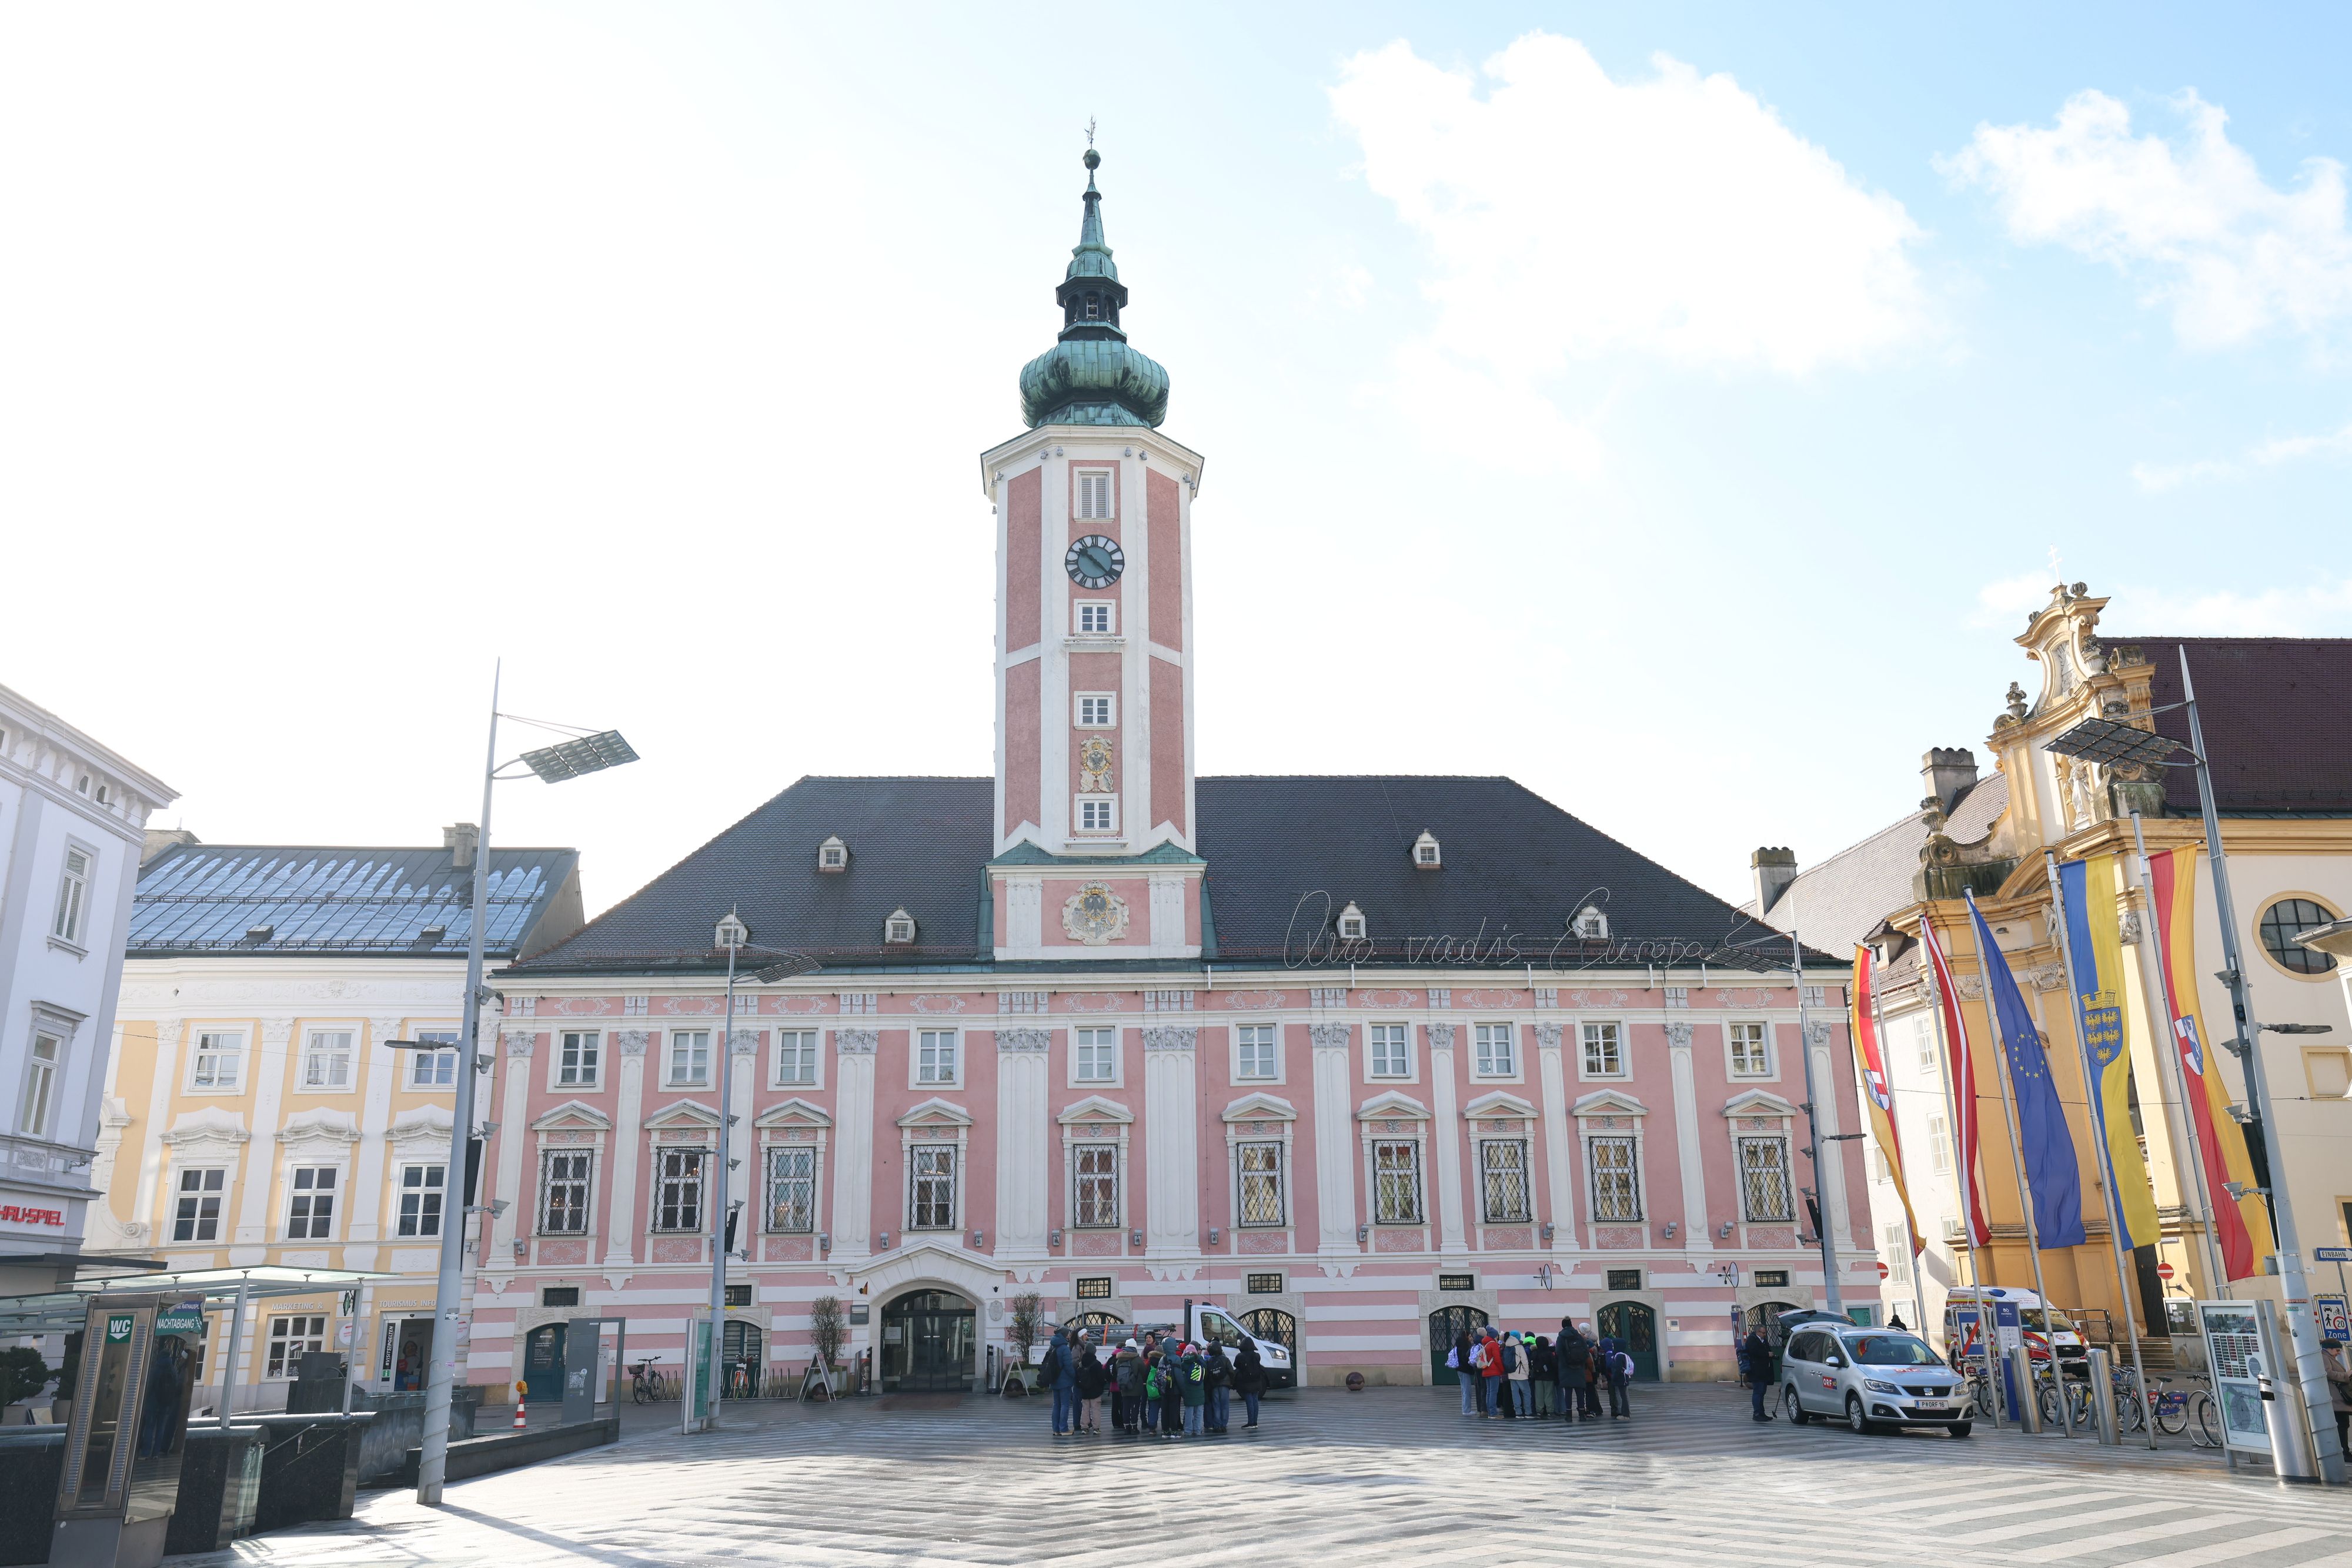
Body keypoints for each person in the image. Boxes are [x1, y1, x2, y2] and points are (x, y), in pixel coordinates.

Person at [1555, 1322, 1591, 1421]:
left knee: (1568, 1392)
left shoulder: (1561, 1337)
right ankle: (1582, 1415)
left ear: (1563, 1326)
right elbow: (1586, 1351)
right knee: (1580, 1392)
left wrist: (1564, 1363)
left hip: (1566, 1368)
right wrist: (1581, 1362)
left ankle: (1569, 1415)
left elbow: (1558, 1352)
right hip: (1579, 1367)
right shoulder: (1578, 1336)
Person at [1074, 1337, 1107, 1434]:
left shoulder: (1081, 1364)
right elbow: (1102, 1378)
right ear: (1094, 1352)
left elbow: (1077, 1377)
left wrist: (1080, 1386)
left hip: (1084, 1391)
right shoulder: (1097, 1364)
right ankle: (1096, 1428)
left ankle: (1084, 1427)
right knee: (1095, 1409)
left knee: (1085, 1409)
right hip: (1096, 1391)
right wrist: (1102, 1386)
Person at [1740, 1326, 1773, 1422]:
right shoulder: (1752, 1340)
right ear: (1757, 1332)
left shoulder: (1763, 1340)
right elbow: (1755, 1352)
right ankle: (1757, 1413)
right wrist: (1767, 1354)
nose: (1764, 1335)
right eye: (1763, 1333)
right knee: (1758, 1392)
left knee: (1762, 1392)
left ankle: (1762, 1413)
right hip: (1756, 1371)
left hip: (1763, 1371)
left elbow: (1766, 1350)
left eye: (1765, 1333)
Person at [1232, 1340, 1268, 1429]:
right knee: (1255, 1402)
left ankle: (1250, 1423)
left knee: (1249, 1402)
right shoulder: (1257, 1356)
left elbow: (1236, 1365)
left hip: (1246, 1382)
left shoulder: (1240, 1356)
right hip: (1256, 1381)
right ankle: (1255, 1422)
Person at [1112, 1339, 1143, 1434]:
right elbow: (1144, 1371)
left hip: (1124, 1387)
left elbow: (1117, 1371)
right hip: (1136, 1388)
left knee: (1125, 1407)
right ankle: (1134, 1427)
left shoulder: (1120, 1359)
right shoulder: (1137, 1359)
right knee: (1135, 1407)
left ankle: (1127, 1427)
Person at [1202, 1341, 1233, 1433]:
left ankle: (1217, 1425)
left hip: (1214, 1385)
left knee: (1216, 1405)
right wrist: (1231, 1382)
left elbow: (1207, 1374)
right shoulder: (1225, 1359)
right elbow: (1231, 1371)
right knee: (1225, 1405)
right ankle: (1224, 1424)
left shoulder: (1209, 1361)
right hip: (1225, 1385)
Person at [1178, 1342, 1208, 1437]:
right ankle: (1198, 1430)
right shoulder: (1201, 1361)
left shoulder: (1184, 1363)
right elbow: (1206, 1369)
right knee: (1199, 1412)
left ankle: (1188, 1431)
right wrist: (1198, 1356)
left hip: (1189, 1392)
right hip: (1200, 1391)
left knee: (1189, 1413)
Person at [2327, 1342, 2352, 1455]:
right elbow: (2328, 1374)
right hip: (2336, 1399)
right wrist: (2346, 1375)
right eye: (2337, 1350)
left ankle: (2344, 1450)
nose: (2338, 1353)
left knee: (2343, 1424)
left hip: (2338, 1399)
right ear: (2330, 1349)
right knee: (2342, 1424)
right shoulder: (2324, 1357)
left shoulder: (2329, 1357)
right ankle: (2343, 1452)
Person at [1161, 1342, 1189, 1439]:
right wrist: (1184, 1391)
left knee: (1164, 1410)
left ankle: (1165, 1431)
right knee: (1174, 1410)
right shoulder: (1176, 1358)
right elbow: (1179, 1377)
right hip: (1174, 1390)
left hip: (1163, 1389)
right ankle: (1174, 1431)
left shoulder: (1162, 1358)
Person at [1600, 1336, 1632, 1419]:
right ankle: (1625, 1412)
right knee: (1623, 1395)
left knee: (1622, 1396)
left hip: (1620, 1379)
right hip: (1623, 1378)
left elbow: (1616, 1368)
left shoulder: (1618, 1356)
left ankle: (1625, 1414)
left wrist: (1614, 1377)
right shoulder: (1622, 1355)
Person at [1478, 1328, 1505, 1418]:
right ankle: (1493, 1413)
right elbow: (1497, 1359)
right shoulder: (1493, 1345)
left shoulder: (1486, 1344)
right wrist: (1502, 1370)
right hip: (1494, 1371)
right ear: (1494, 1336)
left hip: (1486, 1370)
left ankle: (1490, 1412)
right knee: (1493, 1392)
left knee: (1489, 1392)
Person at [1505, 1330, 1533, 1417]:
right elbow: (1524, 1361)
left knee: (1515, 1393)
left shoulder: (1507, 1346)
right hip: (1521, 1373)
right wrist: (1527, 1372)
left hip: (1511, 1373)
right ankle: (1528, 1412)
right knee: (1527, 1393)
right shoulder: (1519, 1347)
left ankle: (1518, 1412)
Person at [1451, 1330, 1476, 1415]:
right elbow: (1465, 1359)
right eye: (1470, 1336)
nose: (1471, 1338)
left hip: (1460, 1370)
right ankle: (1467, 1410)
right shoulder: (1465, 1346)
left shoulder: (1459, 1345)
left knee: (1464, 1390)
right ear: (1466, 1338)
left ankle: (1465, 1409)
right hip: (1465, 1370)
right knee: (1467, 1390)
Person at [1530, 1336, 1556, 1419]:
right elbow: (1554, 1364)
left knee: (1539, 1395)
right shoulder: (1549, 1353)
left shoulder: (1535, 1353)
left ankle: (1539, 1411)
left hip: (1538, 1377)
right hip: (1549, 1376)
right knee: (1548, 1394)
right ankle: (1550, 1411)